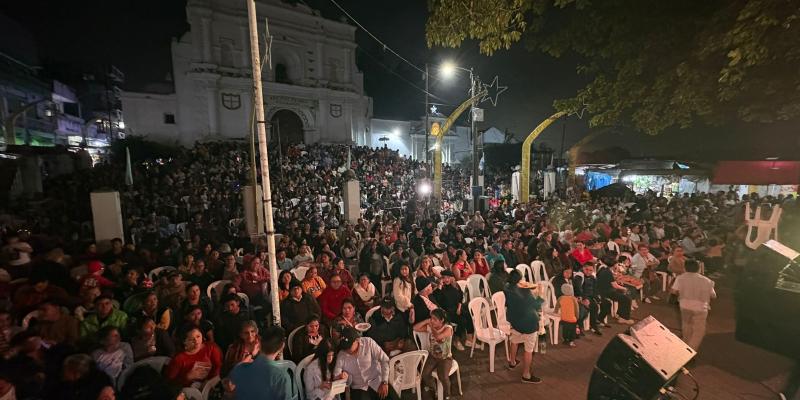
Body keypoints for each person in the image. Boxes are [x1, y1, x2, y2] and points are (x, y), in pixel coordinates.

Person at [228, 325, 291, 399]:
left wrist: (251, 355)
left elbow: (230, 386)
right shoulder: (280, 376)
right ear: (282, 346)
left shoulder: (240, 369)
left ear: (259, 344)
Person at [334, 327, 398, 400]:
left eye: (349, 346)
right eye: (344, 347)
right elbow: (336, 375)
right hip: (358, 387)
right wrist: (341, 377)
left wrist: (384, 382)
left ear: (357, 340)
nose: (346, 350)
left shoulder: (368, 342)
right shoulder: (341, 354)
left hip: (377, 380)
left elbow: (385, 360)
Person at [504, 270, 543, 384]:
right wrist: (540, 294)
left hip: (515, 321)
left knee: (515, 341)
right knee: (528, 350)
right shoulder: (525, 292)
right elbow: (537, 306)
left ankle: (512, 362)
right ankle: (526, 375)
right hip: (529, 324)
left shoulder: (506, 288)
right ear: (519, 280)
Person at [671, 260, 716, 351]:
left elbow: (674, 291)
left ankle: (685, 346)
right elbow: (713, 295)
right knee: (698, 331)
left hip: (684, 306)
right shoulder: (707, 280)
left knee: (686, 327)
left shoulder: (680, 278)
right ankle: (690, 350)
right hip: (701, 308)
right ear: (699, 268)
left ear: (685, 268)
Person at [414, 308, 455, 398]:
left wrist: (431, 327)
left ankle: (447, 395)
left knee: (443, 376)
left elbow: (438, 337)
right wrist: (426, 321)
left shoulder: (448, 328)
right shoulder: (430, 327)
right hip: (432, 356)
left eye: (435, 319)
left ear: (442, 320)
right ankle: (434, 388)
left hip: (445, 358)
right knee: (424, 374)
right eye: (431, 318)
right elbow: (415, 328)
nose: (432, 321)